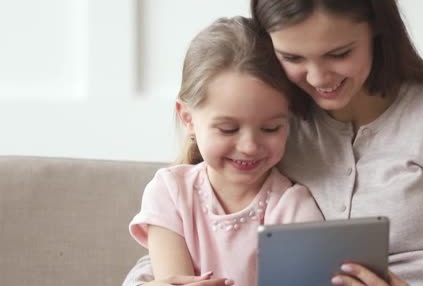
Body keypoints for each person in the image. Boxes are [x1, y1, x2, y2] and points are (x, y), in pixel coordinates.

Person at [124, 0, 423, 285]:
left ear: (377, 27)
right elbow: (193, 237)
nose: (319, 78)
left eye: (339, 53)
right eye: (292, 57)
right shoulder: (276, 126)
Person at [125, 16, 323, 286]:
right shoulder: (170, 192)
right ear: (188, 118)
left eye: (270, 129)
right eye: (228, 129)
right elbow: (174, 279)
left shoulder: (292, 207)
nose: (250, 146)